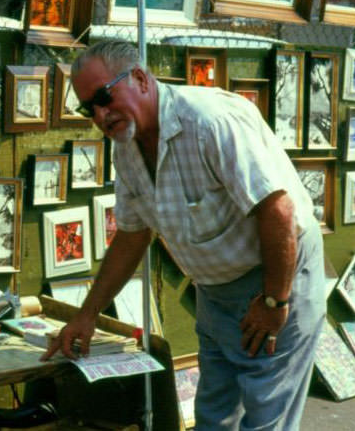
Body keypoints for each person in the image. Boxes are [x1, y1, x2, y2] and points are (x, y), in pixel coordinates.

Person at [41, 40, 326, 431]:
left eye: (105, 97)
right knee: (212, 418)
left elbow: (278, 211)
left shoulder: (210, 121)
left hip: (276, 277)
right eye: (88, 107)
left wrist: (275, 302)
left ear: (140, 78)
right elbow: (130, 236)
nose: (100, 114)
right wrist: (87, 316)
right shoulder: (126, 147)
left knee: (265, 420)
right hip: (214, 291)